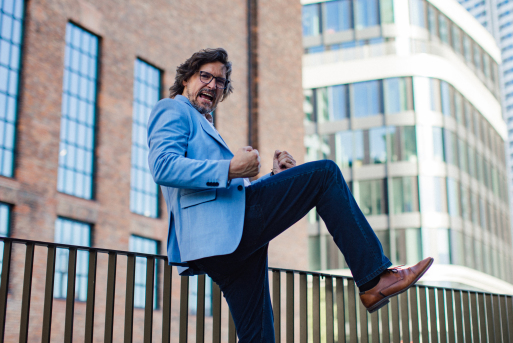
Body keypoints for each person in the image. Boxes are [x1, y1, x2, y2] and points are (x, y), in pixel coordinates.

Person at [147, 48, 433, 342]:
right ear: (186, 80)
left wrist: (273, 179)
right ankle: (374, 279)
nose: (212, 85)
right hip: (219, 233)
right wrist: (231, 168)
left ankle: (374, 281)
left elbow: (226, 194)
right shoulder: (172, 109)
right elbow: (163, 166)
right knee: (324, 175)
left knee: (259, 336)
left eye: (220, 81)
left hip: (225, 246)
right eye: (205, 76)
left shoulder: (205, 124)